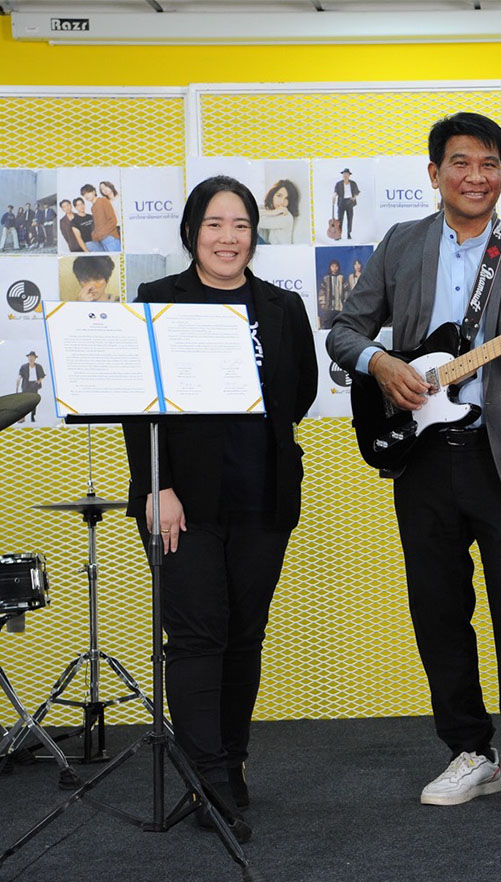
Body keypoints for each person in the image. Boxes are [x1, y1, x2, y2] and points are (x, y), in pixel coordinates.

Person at [326, 112, 501, 820]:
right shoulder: (402, 244)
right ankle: (470, 752)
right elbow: (345, 330)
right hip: (422, 459)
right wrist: (380, 363)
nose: (477, 176)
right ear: (434, 172)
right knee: (438, 612)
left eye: (490, 164)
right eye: (462, 163)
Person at [122, 175, 317, 842]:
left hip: (262, 497)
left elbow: (300, 390)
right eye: (214, 224)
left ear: (254, 235)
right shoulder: (158, 299)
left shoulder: (283, 307)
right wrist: (156, 486)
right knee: (196, 637)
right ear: (191, 232)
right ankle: (204, 778)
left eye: (240, 225)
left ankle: (230, 763)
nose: (228, 237)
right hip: (182, 502)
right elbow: (137, 406)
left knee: (243, 636)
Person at [258, 179, 300, 245]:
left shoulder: (286, 216)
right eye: (279, 196)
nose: (282, 202)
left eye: (286, 198)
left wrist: (272, 212)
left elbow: (253, 220)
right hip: (269, 247)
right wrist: (273, 212)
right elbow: (250, 211)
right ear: (273, 195)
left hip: (278, 250)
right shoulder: (272, 210)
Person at [82, 183, 121, 251]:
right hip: (101, 240)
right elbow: (98, 225)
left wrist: (101, 234)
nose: (86, 195)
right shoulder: (93, 208)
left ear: (94, 192)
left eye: (88, 192)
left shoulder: (103, 200)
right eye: (84, 194)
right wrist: (94, 235)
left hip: (110, 238)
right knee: (88, 245)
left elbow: (113, 220)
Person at [15, 351, 45, 423]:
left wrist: (39, 381)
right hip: (26, 385)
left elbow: (42, 375)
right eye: (30, 357)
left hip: (34, 385)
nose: (31, 359)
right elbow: (20, 374)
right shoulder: (24, 366)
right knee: (24, 401)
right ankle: (22, 417)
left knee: (34, 401)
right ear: (28, 358)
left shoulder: (39, 366)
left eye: (33, 357)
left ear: (35, 358)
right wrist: (18, 378)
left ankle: (33, 416)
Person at [317, 258, 346, 329]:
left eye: (336, 266)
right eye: (333, 266)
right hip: (328, 308)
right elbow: (322, 292)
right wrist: (323, 303)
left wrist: (345, 302)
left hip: (340, 307)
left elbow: (346, 292)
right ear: (330, 267)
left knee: (339, 326)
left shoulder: (342, 278)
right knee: (328, 326)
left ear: (338, 267)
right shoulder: (326, 278)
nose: (334, 268)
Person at [333, 168, 359, 239]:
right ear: (342, 175)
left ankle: (349, 234)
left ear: (349, 175)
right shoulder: (339, 184)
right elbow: (336, 192)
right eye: (344, 174)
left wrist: (354, 197)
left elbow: (356, 192)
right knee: (340, 219)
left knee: (350, 219)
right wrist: (334, 196)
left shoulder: (353, 183)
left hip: (350, 202)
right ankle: (339, 234)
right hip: (341, 202)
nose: (345, 176)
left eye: (347, 174)